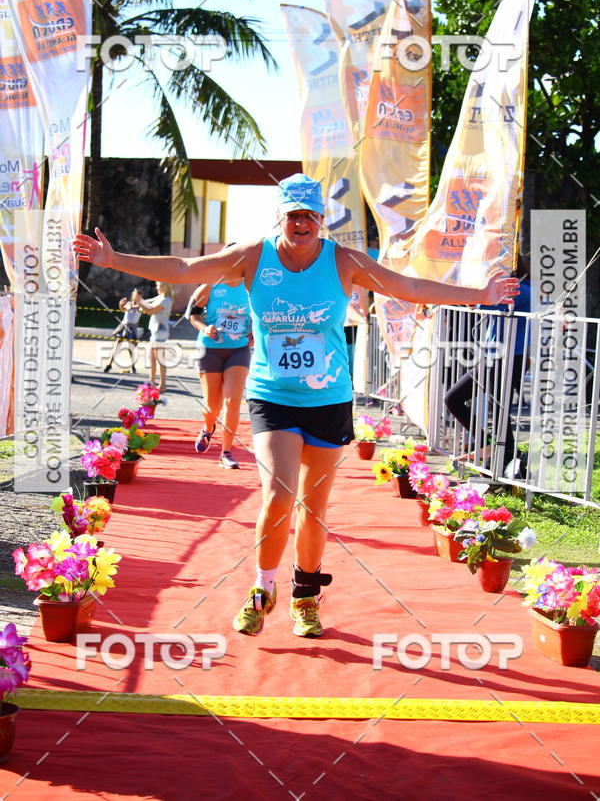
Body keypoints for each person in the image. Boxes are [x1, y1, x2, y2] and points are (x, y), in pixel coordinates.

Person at [74, 174, 519, 639]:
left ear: (321, 220)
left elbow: (404, 286)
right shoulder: (253, 256)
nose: (301, 223)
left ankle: (304, 595)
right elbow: (187, 267)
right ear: (281, 216)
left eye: (310, 215)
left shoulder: (343, 261)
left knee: (313, 506)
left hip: (329, 399)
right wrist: (113, 259)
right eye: (293, 215)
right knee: (280, 494)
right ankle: (261, 589)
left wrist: (481, 296)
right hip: (274, 396)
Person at [444, 256, 531, 478]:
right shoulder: (504, 288)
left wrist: (477, 296)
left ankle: (503, 458)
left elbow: (485, 301)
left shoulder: (519, 289)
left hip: (509, 357)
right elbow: (480, 302)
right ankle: (498, 452)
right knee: (471, 403)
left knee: (496, 410)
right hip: (493, 356)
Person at [186, 272, 251, 469]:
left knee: (232, 401)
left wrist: (255, 331)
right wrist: (204, 328)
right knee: (212, 407)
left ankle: (226, 453)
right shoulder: (210, 285)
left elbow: (262, 314)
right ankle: (208, 428)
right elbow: (191, 313)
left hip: (239, 349)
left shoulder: (251, 288)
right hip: (210, 349)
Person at [136, 282, 173, 393]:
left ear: (164, 287)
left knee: (160, 359)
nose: (156, 287)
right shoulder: (160, 297)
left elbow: (150, 310)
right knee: (152, 358)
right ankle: (151, 382)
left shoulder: (166, 300)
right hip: (155, 331)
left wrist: (139, 302)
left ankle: (163, 385)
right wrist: (138, 302)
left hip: (160, 332)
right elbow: (147, 304)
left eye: (158, 285)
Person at [103, 288, 141, 374]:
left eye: (139, 297)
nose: (137, 298)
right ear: (133, 296)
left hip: (133, 327)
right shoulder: (129, 304)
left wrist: (132, 306)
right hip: (124, 325)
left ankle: (133, 366)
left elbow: (139, 308)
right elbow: (122, 309)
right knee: (117, 346)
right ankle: (109, 364)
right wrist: (121, 304)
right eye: (136, 296)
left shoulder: (141, 305)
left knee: (131, 347)